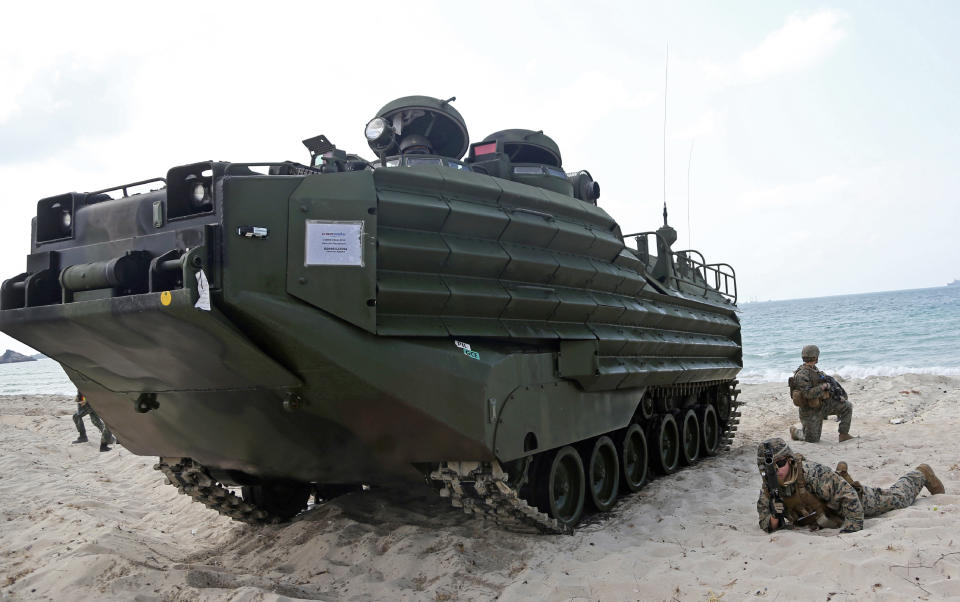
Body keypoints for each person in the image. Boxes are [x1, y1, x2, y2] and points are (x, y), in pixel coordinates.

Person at [755, 438, 945, 533]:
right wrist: (775, 516)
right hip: (826, 517)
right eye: (769, 468)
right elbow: (767, 524)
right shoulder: (769, 490)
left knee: (899, 499)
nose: (776, 471)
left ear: (789, 460)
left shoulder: (812, 473)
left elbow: (849, 496)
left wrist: (851, 529)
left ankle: (921, 473)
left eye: (780, 464)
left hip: (853, 502)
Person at [788, 344, 854, 442]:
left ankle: (843, 434)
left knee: (847, 406)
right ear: (815, 357)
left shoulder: (814, 369)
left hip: (823, 404)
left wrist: (837, 395)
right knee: (812, 439)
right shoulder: (801, 374)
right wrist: (823, 387)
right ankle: (796, 432)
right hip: (810, 410)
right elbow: (807, 394)